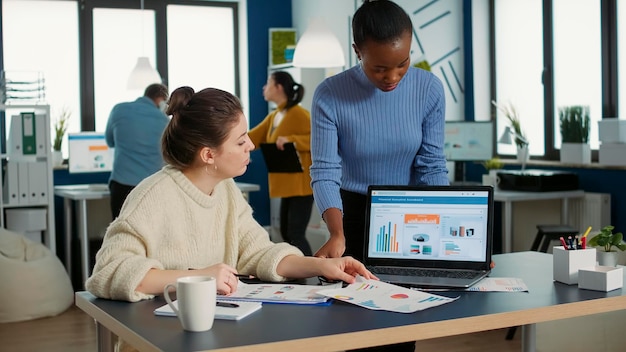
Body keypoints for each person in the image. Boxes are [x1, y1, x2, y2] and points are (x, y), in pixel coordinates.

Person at [86, 85, 375, 302]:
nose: (250, 146)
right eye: (240, 142)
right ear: (209, 154)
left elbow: (259, 252)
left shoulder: (225, 190)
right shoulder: (151, 197)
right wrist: (198, 279)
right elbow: (108, 272)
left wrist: (324, 266)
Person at [310, 2, 448, 350]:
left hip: (411, 218)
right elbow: (325, 170)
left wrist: (446, 231)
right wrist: (336, 232)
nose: (392, 77)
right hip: (351, 216)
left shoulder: (429, 89)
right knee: (353, 328)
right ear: (357, 51)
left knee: (400, 328)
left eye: (402, 64)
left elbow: (431, 166)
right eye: (380, 68)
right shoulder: (330, 94)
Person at [248, 71, 314, 255]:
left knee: (295, 235)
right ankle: (299, 277)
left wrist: (291, 140)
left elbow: (319, 139)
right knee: (287, 234)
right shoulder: (275, 116)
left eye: (268, 83)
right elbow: (251, 138)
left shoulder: (299, 114)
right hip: (288, 186)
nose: (264, 88)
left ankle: (312, 273)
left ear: (278, 87)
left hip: (301, 187)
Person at [105, 83, 170, 219]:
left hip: (121, 186)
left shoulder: (119, 110)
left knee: (120, 233)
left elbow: (110, 141)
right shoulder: (165, 121)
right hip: (152, 187)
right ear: (160, 100)